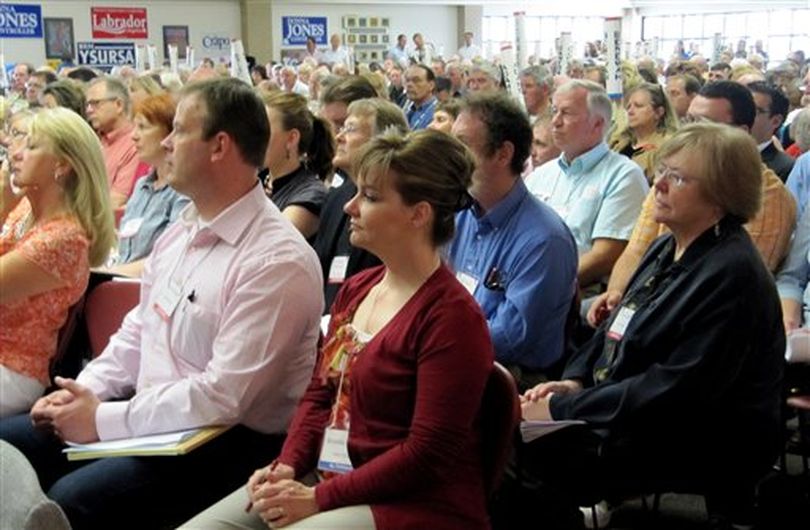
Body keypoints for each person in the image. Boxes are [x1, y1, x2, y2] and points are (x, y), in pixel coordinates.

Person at [0, 79, 324, 529]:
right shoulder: (182, 232)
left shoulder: (276, 260)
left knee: (73, 500)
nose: (165, 143)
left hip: (228, 440)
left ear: (219, 147)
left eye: (178, 130)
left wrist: (102, 419)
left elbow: (223, 396)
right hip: (157, 419)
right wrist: (83, 391)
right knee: (8, 446)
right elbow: (138, 331)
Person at [183, 128, 494, 530]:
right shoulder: (358, 288)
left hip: (414, 502)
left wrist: (316, 498)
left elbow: (426, 454)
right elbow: (319, 394)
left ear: (419, 214)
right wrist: (288, 466)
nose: (349, 207)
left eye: (370, 197)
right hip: (333, 476)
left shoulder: (452, 319)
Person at [512, 123, 784, 529]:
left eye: (677, 178)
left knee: (522, 448)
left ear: (722, 195)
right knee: (510, 433)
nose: (658, 185)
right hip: (644, 408)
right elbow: (616, 329)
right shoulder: (669, 245)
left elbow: (676, 388)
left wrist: (562, 408)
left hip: (703, 436)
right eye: (662, 172)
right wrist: (574, 382)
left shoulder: (732, 272)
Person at [590, 80, 797, 327]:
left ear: (739, 134)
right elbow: (635, 250)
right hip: (648, 312)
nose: (689, 133)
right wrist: (617, 299)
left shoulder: (767, 197)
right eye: (689, 121)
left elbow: (722, 290)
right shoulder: (670, 184)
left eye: (704, 125)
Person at [449, 93, 578, 390]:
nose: (451, 154)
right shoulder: (459, 215)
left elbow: (509, 338)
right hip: (457, 354)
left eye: (463, 145)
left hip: (512, 378)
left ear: (503, 154)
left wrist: (432, 341)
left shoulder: (544, 239)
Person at [0, 107, 115, 417]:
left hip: (12, 369)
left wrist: (0, 202)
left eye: (33, 146)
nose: (17, 153)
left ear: (62, 166)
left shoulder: (63, 238)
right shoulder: (24, 211)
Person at [526, 80, 649, 295]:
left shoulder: (623, 175)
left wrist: (542, 287)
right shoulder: (541, 175)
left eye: (566, 113)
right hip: (527, 282)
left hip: (576, 295)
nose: (555, 121)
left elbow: (605, 255)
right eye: (554, 111)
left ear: (597, 125)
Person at [313, 98, 408, 313]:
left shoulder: (393, 205)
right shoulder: (336, 196)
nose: (339, 137)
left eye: (350, 129)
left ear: (381, 141)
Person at [105, 93, 189, 277]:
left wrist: (109, 274)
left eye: (143, 127)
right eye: (135, 127)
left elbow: (169, 258)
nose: (134, 136)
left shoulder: (184, 192)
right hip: (120, 278)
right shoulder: (142, 185)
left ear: (169, 133)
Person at [261, 91, 332, 240]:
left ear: (292, 139)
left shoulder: (310, 195)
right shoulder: (259, 179)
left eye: (264, 130)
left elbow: (270, 244)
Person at [85, 76, 140, 208]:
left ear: (118, 105)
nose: (88, 110)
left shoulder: (135, 144)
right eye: (87, 104)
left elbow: (116, 201)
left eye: (95, 103)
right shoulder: (93, 141)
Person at [610, 82, 679, 182]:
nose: (630, 111)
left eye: (638, 106)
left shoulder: (667, 146)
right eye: (628, 106)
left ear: (659, 112)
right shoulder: (619, 141)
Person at [748, 81, 795, 181]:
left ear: (775, 121)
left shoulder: (785, 168)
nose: (742, 115)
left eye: (753, 111)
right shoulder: (722, 153)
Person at [403, 64, 437, 130]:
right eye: (407, 80)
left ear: (431, 85)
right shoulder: (407, 109)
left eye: (416, 80)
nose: (409, 85)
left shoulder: (437, 112)